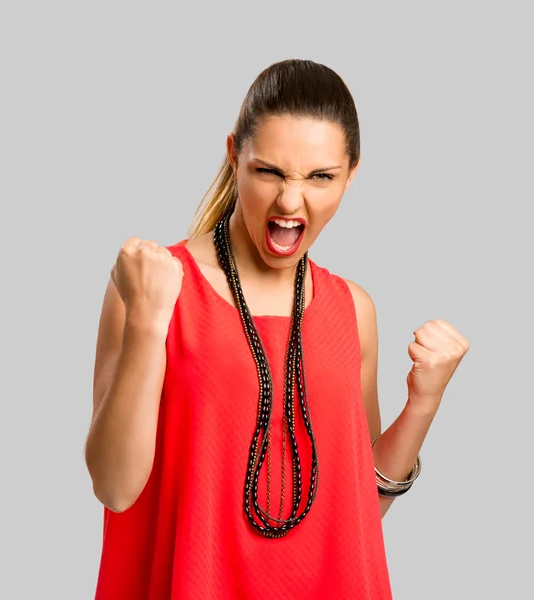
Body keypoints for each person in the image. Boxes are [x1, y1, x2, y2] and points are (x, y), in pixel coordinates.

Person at [85, 58, 469, 600]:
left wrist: (424, 404)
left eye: (321, 177)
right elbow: (114, 487)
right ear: (233, 157)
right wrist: (149, 324)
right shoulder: (153, 287)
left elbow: (356, 508)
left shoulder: (352, 310)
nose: (291, 202)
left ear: (352, 174)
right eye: (269, 171)